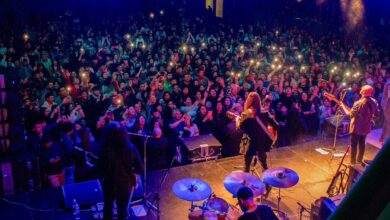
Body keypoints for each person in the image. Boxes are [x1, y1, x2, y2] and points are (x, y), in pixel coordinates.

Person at [97, 122, 143, 220]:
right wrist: (133, 173)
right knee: (122, 210)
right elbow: (140, 167)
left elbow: (99, 170)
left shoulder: (104, 150)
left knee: (108, 207)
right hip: (125, 183)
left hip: (109, 183)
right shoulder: (131, 148)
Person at [237, 92, 279, 173]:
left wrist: (237, 121)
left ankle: (247, 184)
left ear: (248, 101)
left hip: (250, 143)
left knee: (247, 166)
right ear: (259, 101)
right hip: (262, 143)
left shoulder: (245, 114)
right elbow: (276, 126)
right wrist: (268, 129)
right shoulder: (265, 112)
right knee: (264, 164)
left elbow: (240, 128)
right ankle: (267, 184)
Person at [340, 85, 379, 164]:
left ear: (363, 92)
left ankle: (353, 162)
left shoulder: (358, 103)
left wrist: (342, 107)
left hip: (356, 127)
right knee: (362, 143)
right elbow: (376, 114)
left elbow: (350, 115)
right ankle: (359, 160)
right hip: (366, 127)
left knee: (353, 145)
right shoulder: (374, 102)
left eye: (362, 89)